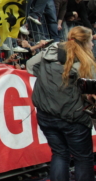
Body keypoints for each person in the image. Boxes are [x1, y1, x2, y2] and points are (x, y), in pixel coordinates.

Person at [27, 26, 96, 181]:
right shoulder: (86, 63)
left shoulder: (51, 51)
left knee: (60, 154)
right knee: (83, 158)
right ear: (84, 42)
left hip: (46, 115)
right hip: (74, 118)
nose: (92, 45)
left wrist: (48, 76)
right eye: (91, 41)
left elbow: (30, 66)